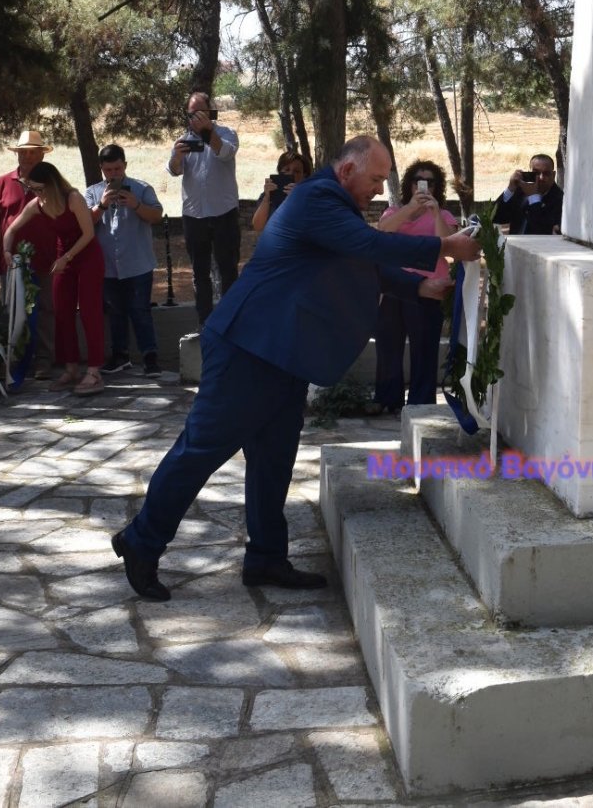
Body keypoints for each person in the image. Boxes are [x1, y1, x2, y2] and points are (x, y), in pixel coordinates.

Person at [111, 135, 481, 603]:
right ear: (347, 170)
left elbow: (356, 262)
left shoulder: (336, 203)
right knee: (201, 450)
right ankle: (141, 541)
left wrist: (420, 291)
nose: (377, 189)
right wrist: (443, 247)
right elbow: (368, 245)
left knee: (273, 457)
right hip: (249, 346)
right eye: (373, 180)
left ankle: (266, 555)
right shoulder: (317, 198)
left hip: (284, 352)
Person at [3, 160, 106, 395]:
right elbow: (11, 229)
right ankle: (70, 368)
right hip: (64, 258)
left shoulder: (73, 198)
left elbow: (89, 233)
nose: (37, 194)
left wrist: (67, 258)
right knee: (62, 312)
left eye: (40, 188)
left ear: (52, 184)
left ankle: (93, 371)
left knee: (90, 312)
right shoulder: (38, 204)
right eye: (34, 189)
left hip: (86, 256)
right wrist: (8, 251)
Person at [367, 159, 458, 414]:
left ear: (437, 186)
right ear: (409, 184)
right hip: (394, 287)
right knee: (388, 346)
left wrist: (436, 212)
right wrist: (410, 208)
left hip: (430, 287)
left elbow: (447, 244)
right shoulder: (393, 212)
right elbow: (383, 232)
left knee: (424, 348)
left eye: (430, 181)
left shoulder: (446, 215)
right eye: (419, 180)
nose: (424, 185)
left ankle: (420, 403)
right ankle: (387, 399)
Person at [85, 144, 164, 377]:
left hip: (138, 263)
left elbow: (157, 216)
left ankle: (150, 357)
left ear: (125, 166)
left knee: (140, 310)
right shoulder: (92, 192)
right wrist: (102, 205)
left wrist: (136, 204)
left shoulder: (141, 188)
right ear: (101, 169)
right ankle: (120, 356)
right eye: (108, 170)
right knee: (115, 311)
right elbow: (85, 222)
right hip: (108, 265)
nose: (114, 175)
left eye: (118, 169)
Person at [168, 91, 240, 325]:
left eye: (201, 112)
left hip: (224, 213)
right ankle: (206, 323)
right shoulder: (183, 140)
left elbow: (225, 153)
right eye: (192, 113)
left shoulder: (226, 134)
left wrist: (208, 132)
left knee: (227, 269)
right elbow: (175, 170)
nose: (196, 118)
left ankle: (229, 322)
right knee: (200, 273)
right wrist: (176, 157)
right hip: (194, 215)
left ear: (210, 112)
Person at [0, 128, 59, 379]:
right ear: (17, 155)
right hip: (12, 259)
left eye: (33, 153)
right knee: (13, 308)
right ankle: (15, 358)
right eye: (23, 153)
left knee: (46, 309)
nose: (27, 157)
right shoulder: (2, 183)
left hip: (47, 257)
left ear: (42, 155)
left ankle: (43, 359)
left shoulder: (52, 184)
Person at [493, 153, 564, 236]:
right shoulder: (521, 191)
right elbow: (497, 218)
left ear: (553, 175)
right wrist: (510, 189)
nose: (541, 178)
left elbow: (541, 230)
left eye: (546, 174)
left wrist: (534, 198)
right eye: (536, 173)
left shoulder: (559, 199)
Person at [252, 150, 311, 235]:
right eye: (287, 170)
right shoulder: (270, 195)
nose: (291, 174)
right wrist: (266, 199)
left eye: (297, 171)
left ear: (304, 175)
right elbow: (258, 227)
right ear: (280, 172)